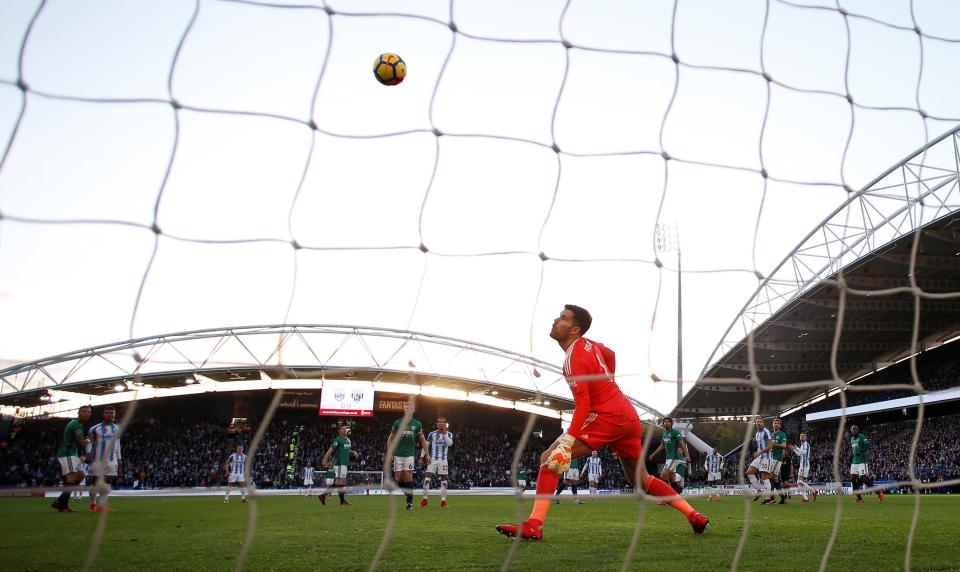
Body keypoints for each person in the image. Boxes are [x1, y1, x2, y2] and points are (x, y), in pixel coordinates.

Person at [496, 305, 708, 540]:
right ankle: (694, 516)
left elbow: (584, 407)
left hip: (605, 417)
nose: (556, 320)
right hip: (627, 415)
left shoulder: (572, 359)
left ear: (575, 329)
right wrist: (610, 384)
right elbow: (610, 353)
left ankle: (534, 524)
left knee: (549, 459)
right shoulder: (591, 345)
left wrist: (566, 444)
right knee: (642, 480)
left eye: (563, 318)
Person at [388, 404, 431, 510]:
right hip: (398, 454)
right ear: (404, 410)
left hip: (410, 454)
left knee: (408, 477)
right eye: (406, 408)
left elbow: (423, 441)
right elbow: (391, 439)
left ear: (413, 410)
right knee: (399, 479)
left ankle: (409, 503)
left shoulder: (416, 424)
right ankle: (408, 495)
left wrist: (427, 455)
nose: (408, 410)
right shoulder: (398, 423)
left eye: (410, 408)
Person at [52, 405, 92, 512]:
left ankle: (60, 501)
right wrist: (88, 440)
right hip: (67, 453)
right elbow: (81, 443)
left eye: (88, 412)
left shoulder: (75, 424)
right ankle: (63, 506)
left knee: (80, 476)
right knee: (72, 478)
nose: (87, 413)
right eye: (84, 411)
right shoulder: (77, 425)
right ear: (78, 413)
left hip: (72, 453)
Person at [87, 405, 122, 512]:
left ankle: (102, 505)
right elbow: (89, 442)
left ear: (114, 416)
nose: (109, 415)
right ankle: (93, 504)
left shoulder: (117, 428)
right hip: (97, 459)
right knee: (95, 482)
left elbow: (117, 444)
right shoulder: (95, 428)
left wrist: (119, 459)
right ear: (103, 414)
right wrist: (88, 453)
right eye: (107, 413)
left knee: (107, 482)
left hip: (111, 460)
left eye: (111, 413)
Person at [648, 417, 689, 494]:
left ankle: (666, 496)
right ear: (663, 424)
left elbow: (682, 444)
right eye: (665, 422)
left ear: (671, 423)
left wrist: (687, 455)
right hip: (668, 458)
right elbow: (662, 446)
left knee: (663, 476)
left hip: (673, 458)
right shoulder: (664, 434)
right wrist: (653, 454)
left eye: (668, 422)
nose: (667, 423)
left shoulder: (675, 433)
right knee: (672, 479)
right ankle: (677, 495)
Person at [320, 424, 358, 506]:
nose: (344, 430)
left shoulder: (348, 440)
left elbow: (346, 449)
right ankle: (341, 501)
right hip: (339, 464)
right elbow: (331, 450)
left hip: (344, 463)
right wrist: (324, 460)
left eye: (345, 429)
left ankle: (324, 496)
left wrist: (353, 451)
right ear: (339, 431)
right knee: (341, 482)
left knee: (339, 483)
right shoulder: (338, 439)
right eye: (342, 429)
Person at [420, 416, 453, 508]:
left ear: (445, 423)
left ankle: (443, 502)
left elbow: (450, 443)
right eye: (439, 422)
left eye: (443, 422)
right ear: (437, 423)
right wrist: (421, 457)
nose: (441, 423)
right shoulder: (432, 434)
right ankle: (424, 500)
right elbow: (426, 446)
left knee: (444, 482)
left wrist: (445, 433)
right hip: (432, 460)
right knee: (426, 480)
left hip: (443, 460)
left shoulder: (449, 434)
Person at [850, 425, 883, 503]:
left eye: (855, 429)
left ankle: (879, 492)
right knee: (852, 478)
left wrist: (860, 451)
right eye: (852, 430)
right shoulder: (852, 439)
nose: (854, 431)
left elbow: (867, 446)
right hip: (854, 462)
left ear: (858, 430)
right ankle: (859, 499)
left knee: (863, 479)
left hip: (862, 461)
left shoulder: (862, 437)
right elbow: (854, 450)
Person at [746, 417, 774, 503]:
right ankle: (758, 490)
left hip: (766, 457)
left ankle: (767, 499)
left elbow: (770, 446)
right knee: (749, 472)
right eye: (757, 422)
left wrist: (760, 453)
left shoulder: (766, 432)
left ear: (763, 423)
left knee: (764, 477)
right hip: (759, 457)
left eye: (760, 422)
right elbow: (759, 446)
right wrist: (757, 454)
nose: (758, 423)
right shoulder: (757, 434)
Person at [767, 418, 789, 505]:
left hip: (777, 458)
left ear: (780, 425)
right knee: (775, 480)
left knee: (770, 477)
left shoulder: (782, 434)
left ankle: (772, 498)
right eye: (774, 423)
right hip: (771, 458)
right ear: (773, 425)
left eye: (777, 423)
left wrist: (774, 444)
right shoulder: (771, 434)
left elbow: (784, 445)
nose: (776, 424)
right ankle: (783, 499)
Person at [793, 432, 816, 503]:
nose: (802, 437)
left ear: (806, 438)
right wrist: (794, 449)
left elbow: (804, 452)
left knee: (799, 482)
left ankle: (813, 491)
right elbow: (800, 454)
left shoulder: (806, 444)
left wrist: (796, 447)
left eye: (803, 436)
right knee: (799, 483)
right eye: (801, 436)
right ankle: (805, 498)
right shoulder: (802, 445)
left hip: (804, 465)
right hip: (802, 465)